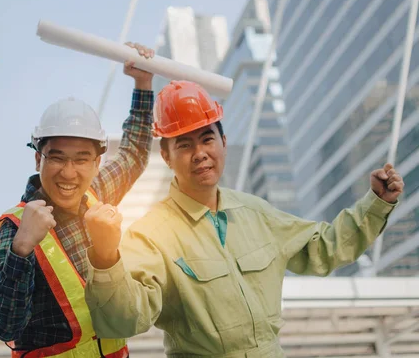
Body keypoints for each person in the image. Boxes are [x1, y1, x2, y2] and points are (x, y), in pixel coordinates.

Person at [84, 80, 405, 357]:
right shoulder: (149, 234)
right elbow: (125, 319)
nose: (199, 153)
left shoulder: (256, 213)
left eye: (207, 138)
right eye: (184, 144)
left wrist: (376, 203)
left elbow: (325, 248)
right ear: (165, 156)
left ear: (223, 142)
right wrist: (105, 256)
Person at [0, 43, 155, 357]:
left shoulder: (96, 193)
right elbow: (4, 326)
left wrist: (142, 85)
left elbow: (134, 153)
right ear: (38, 159)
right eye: (57, 158)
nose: (68, 173)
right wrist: (21, 250)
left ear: (96, 164)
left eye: (81, 159)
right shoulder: (15, 228)